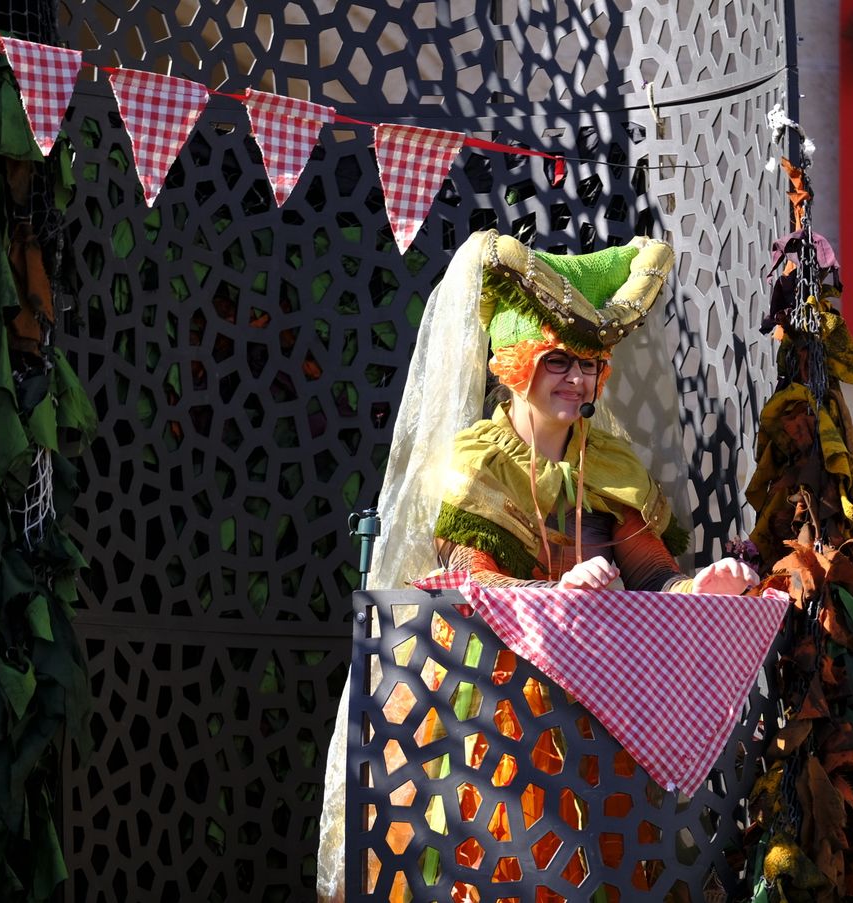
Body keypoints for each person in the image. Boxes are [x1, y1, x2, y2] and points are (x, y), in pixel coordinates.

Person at [314, 229, 756, 900]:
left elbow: (650, 570)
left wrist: (698, 586)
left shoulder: (609, 462)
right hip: (496, 712)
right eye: (559, 361)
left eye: (589, 365)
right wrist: (552, 594)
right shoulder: (476, 460)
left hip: (602, 715)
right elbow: (467, 577)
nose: (578, 381)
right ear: (518, 360)